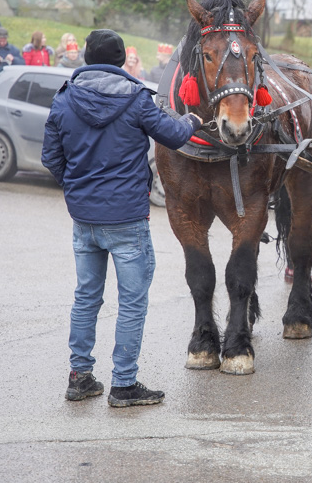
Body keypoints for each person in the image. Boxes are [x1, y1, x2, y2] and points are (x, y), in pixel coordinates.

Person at [41, 29, 204, 407]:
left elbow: (51, 158)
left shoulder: (64, 98)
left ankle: (80, 378)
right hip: (127, 220)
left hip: (84, 221)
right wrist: (194, 120)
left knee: (86, 298)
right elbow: (173, 135)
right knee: (132, 303)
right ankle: (124, 385)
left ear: (85, 57)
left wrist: (77, 190)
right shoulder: (136, 99)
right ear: (119, 60)